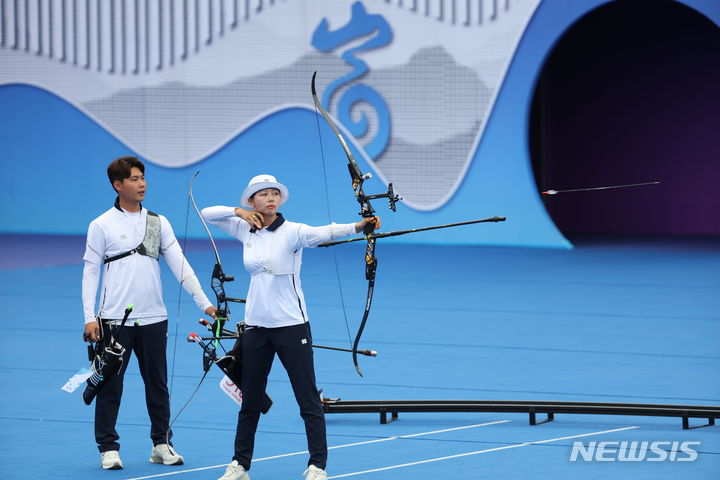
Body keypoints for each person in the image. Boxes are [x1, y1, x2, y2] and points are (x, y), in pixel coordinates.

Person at [202, 174, 380, 480]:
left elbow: (326, 232)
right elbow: (207, 213)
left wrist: (360, 226)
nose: (270, 198)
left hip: (291, 327)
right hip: (257, 328)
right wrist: (238, 212)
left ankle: (317, 466)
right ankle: (240, 465)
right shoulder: (245, 229)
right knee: (251, 400)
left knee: (307, 397)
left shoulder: (294, 232)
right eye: (263, 194)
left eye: (275, 194)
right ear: (251, 201)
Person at [82, 156, 218, 470]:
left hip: (155, 317)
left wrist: (205, 303)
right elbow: (90, 272)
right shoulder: (102, 224)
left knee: (157, 384)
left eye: (143, 177)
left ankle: (161, 443)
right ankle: (108, 448)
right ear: (118, 185)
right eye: (133, 179)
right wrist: (90, 317)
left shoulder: (158, 222)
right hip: (115, 320)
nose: (141, 184)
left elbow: (180, 266)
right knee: (110, 384)